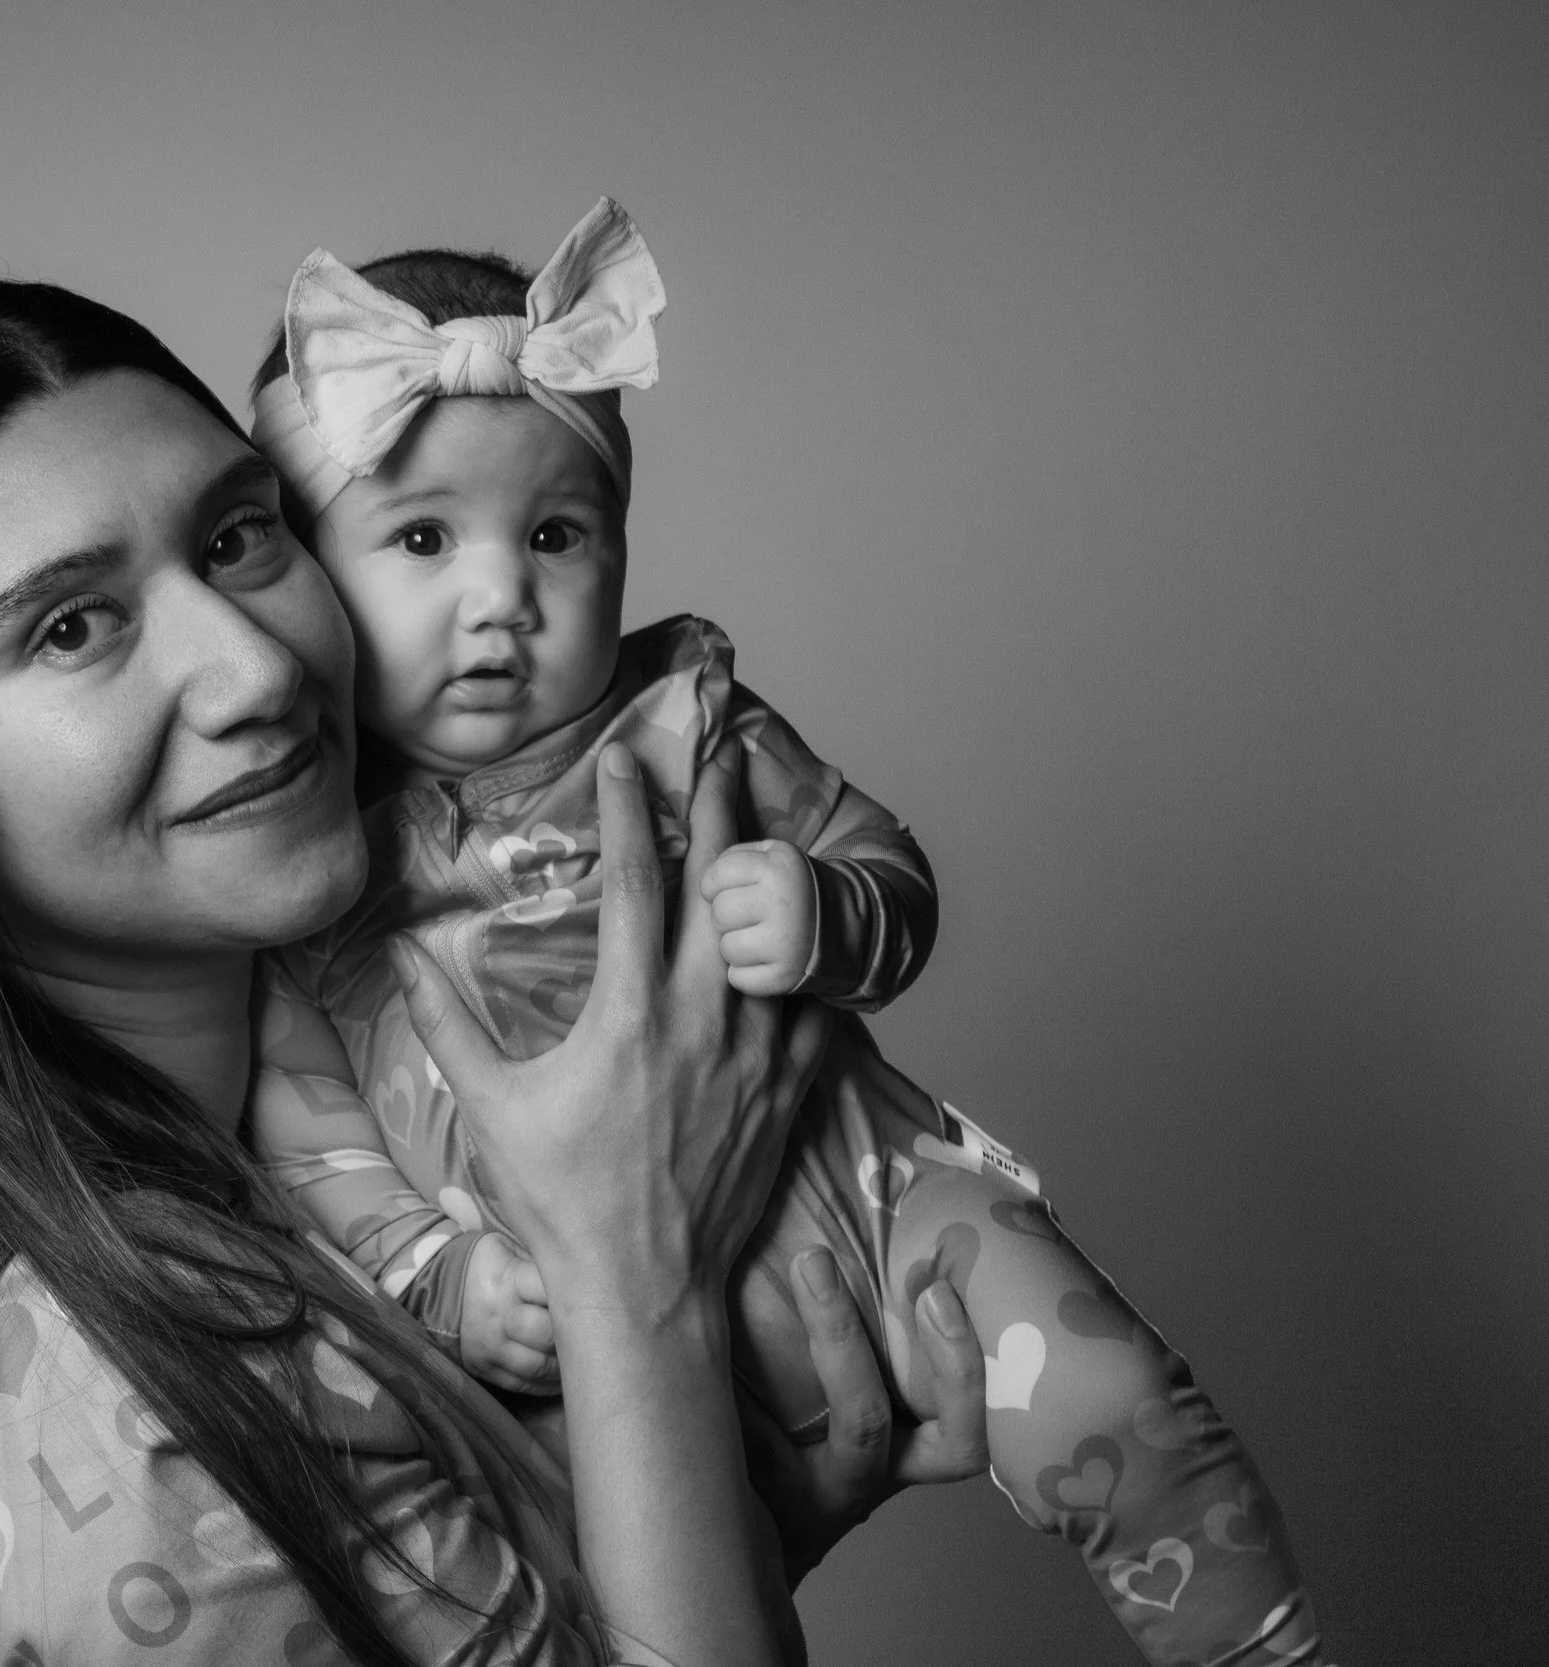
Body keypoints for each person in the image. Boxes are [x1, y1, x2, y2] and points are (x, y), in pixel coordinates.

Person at [0, 274, 994, 1667]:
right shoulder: (93, 1388)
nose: (256, 669)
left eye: (237, 538)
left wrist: (714, 1517)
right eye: (70, 626)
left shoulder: (304, 1185)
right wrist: (638, 1288)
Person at [243, 201, 1329, 1667]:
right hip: (602, 1354)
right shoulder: (314, 856)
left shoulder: (692, 723)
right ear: (310, 580)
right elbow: (308, 1130)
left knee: (1119, 1413)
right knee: (572, 1590)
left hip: (876, 1207)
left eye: (556, 534)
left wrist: (828, 910)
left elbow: (893, 871)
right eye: (423, 538)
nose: (501, 596)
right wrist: (439, 1275)